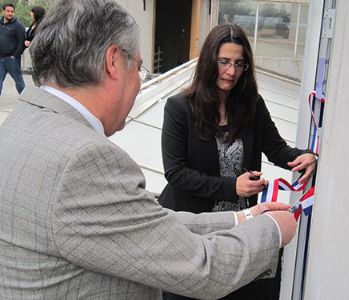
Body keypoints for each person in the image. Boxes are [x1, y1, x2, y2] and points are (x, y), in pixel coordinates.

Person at [0, 1, 298, 299]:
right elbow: (201, 268)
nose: (140, 83)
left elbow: (144, 223)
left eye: (239, 64)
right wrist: (270, 229)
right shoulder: (85, 160)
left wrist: (243, 218)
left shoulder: (22, 123)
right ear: (113, 61)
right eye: (139, 67)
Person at [159, 24, 317, 300]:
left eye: (239, 64)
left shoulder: (252, 105)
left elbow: (277, 149)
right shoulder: (179, 107)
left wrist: (306, 156)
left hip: (240, 229)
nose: (231, 72)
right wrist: (233, 187)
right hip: (196, 229)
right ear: (209, 60)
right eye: (224, 62)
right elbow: (175, 173)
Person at [0, 3, 26, 95]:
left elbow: (22, 43)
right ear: (3, 11)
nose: (10, 13)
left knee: (19, 82)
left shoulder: (19, 26)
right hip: (0, 58)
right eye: (8, 11)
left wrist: (15, 56)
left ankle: (26, 100)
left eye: (12, 11)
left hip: (12, 59)